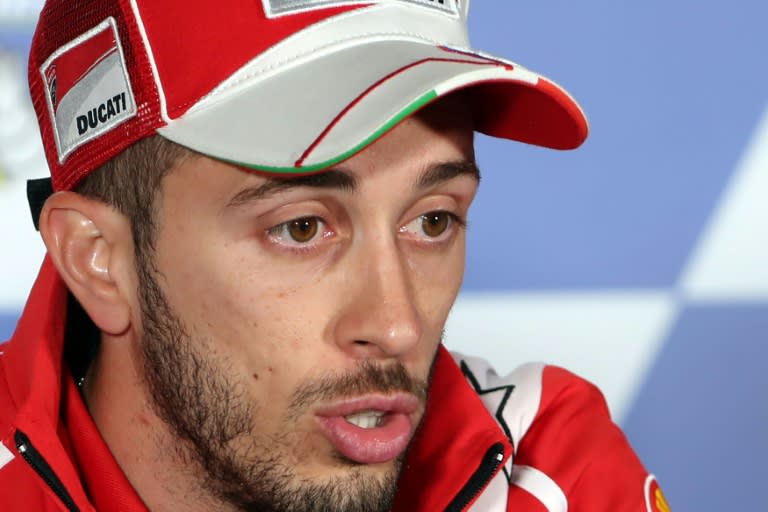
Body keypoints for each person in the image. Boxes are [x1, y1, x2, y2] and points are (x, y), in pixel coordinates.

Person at [0, 1, 670, 511]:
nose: (398, 325)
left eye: (432, 220)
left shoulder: (543, 470)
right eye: (300, 229)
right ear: (98, 260)